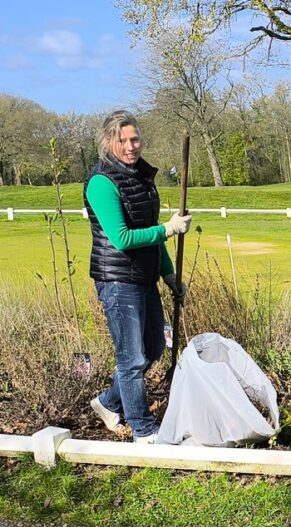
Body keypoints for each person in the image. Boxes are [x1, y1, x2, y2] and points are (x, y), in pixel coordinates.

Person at [85, 110, 191, 444]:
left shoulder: (142, 176)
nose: (131, 146)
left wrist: (169, 273)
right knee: (131, 359)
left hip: (144, 277)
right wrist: (169, 228)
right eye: (122, 140)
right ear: (108, 142)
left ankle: (106, 402)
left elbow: (150, 233)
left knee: (155, 346)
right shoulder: (102, 182)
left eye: (135, 139)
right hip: (117, 281)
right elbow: (122, 238)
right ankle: (143, 429)